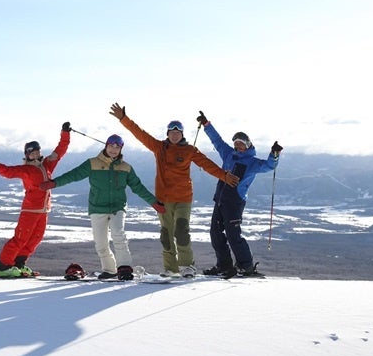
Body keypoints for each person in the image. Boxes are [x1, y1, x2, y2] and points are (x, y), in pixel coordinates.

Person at [108, 103, 237, 277]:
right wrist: (123, 118)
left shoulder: (189, 150)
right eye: (172, 132)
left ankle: (187, 266)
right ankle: (171, 268)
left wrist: (224, 176)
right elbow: (140, 133)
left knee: (181, 231)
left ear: (182, 134)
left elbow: (207, 165)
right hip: (163, 199)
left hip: (183, 198)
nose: (175, 135)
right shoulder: (159, 147)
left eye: (178, 133)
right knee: (166, 234)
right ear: (167, 134)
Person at [44, 134, 162, 280]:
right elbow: (73, 175)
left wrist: (153, 202)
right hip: (97, 207)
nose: (114, 149)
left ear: (120, 149)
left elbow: (138, 187)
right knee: (100, 242)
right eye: (111, 146)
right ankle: (110, 269)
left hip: (117, 207)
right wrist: (54, 183)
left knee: (118, 234)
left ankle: (124, 268)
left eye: (117, 147)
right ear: (106, 146)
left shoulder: (125, 168)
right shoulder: (92, 163)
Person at [197, 111, 281, 278]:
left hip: (235, 202)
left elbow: (269, 166)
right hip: (220, 199)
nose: (238, 146)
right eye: (236, 144)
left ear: (248, 145)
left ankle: (246, 266)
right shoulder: (229, 154)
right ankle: (224, 265)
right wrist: (207, 125)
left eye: (241, 144)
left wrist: (274, 155)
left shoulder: (252, 162)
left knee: (233, 234)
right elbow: (217, 141)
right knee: (215, 233)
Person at [0, 123, 71, 277]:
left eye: (37, 152)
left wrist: (65, 133)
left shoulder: (47, 164)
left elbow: (60, 150)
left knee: (35, 239)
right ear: (27, 155)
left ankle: (19, 264)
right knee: (21, 238)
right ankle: (4, 267)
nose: (35, 155)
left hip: (43, 210)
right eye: (31, 153)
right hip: (30, 210)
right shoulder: (26, 170)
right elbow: (8, 172)